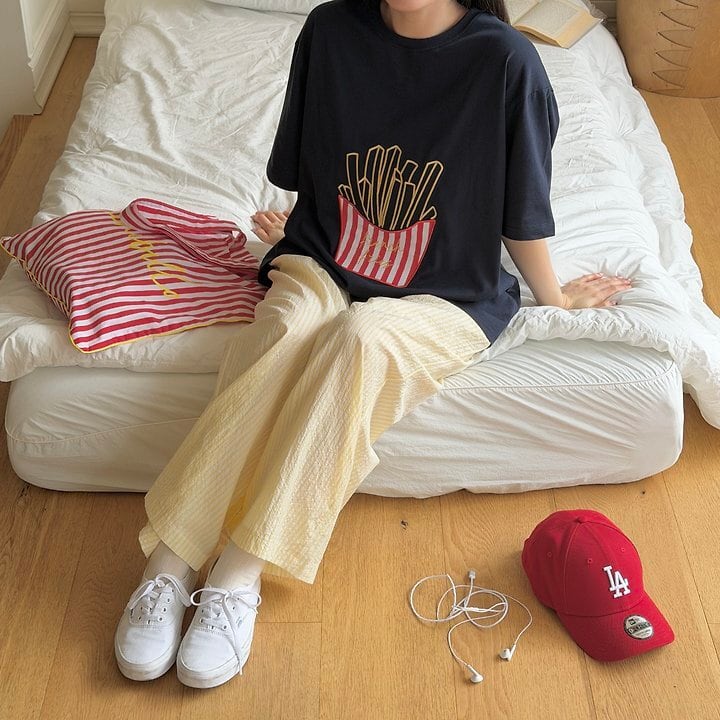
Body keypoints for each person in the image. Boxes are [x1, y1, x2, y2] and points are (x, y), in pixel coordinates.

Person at [114, 0, 631, 689]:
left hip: (451, 290)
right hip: (325, 259)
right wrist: (299, 231)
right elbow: (316, 168)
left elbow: (522, 210)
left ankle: (238, 573)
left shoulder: (506, 61)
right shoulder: (330, 30)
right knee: (287, 329)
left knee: (362, 339)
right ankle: (170, 563)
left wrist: (557, 298)